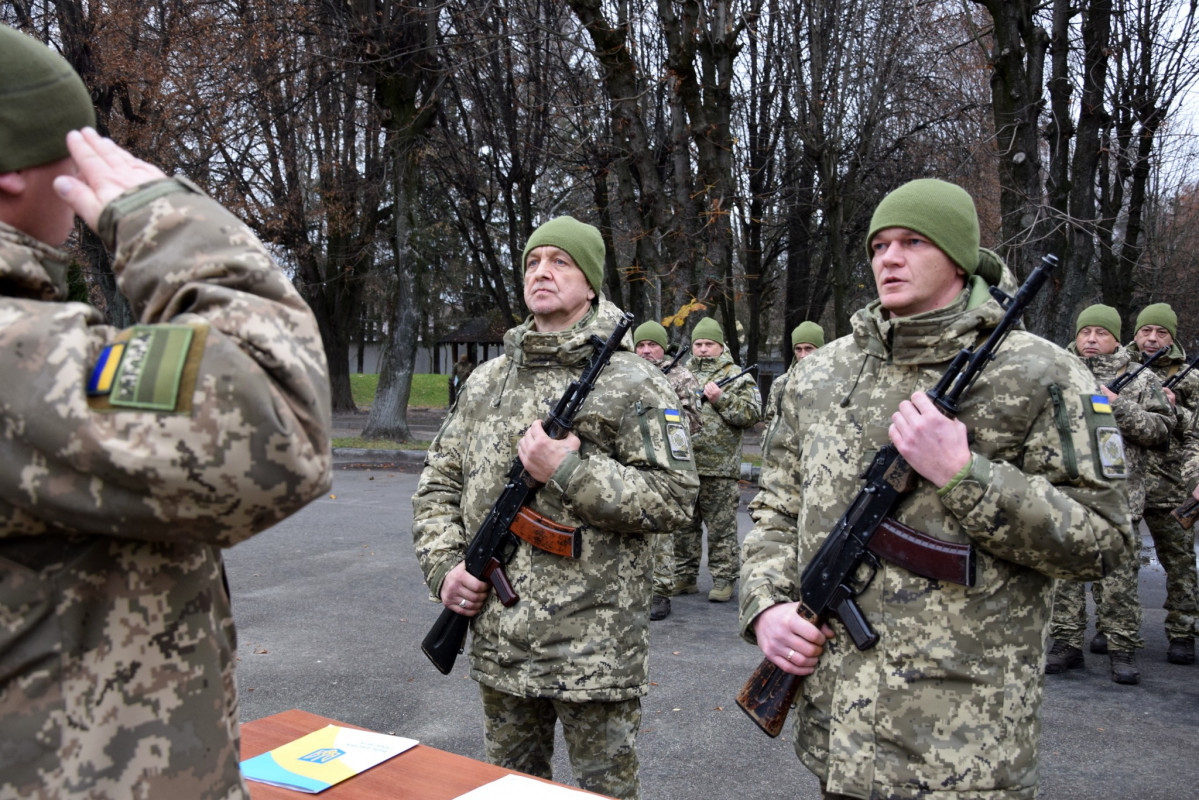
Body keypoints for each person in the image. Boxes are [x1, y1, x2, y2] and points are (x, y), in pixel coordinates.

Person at [0, 25, 333, 799]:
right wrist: (164, 220)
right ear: (17, 175)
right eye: (75, 155)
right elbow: (275, 417)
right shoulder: (17, 356)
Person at [739, 178, 1131, 799]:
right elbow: (776, 510)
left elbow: (1105, 541)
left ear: (957, 256)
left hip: (963, 750)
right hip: (837, 734)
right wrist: (766, 606)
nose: (888, 259)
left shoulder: (1043, 373)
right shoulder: (818, 374)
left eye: (912, 242)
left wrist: (963, 475)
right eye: (878, 246)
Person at [411, 216, 698, 800]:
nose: (542, 272)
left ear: (590, 282)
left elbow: (674, 497)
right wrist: (447, 570)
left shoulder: (634, 382)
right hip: (500, 638)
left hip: (597, 648)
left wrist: (567, 469)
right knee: (509, 791)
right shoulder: (487, 381)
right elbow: (437, 485)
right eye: (533, 262)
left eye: (560, 262)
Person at [1045, 305, 1174, 684]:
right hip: (1066, 491)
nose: (1091, 340)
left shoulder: (1140, 379)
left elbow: (1161, 431)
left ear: (1117, 338)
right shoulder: (1056, 371)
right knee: (1064, 578)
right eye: (1086, 332)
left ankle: (1122, 648)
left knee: (1118, 580)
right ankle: (1066, 643)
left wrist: (1117, 407)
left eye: (1101, 333)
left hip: (1120, 496)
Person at [1125, 303, 1199, 665]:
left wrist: (1175, 408)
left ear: (1173, 337)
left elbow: (1195, 431)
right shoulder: (1119, 368)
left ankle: (1183, 633)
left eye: (1162, 333)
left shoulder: (1188, 377)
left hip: (1170, 482)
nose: (1152, 339)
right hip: (1125, 480)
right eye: (1146, 331)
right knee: (1119, 562)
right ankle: (1115, 631)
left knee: (1180, 564)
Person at [677, 317, 762, 603]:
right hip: (685, 466)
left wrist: (721, 398)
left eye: (708, 344)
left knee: (721, 528)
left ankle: (724, 579)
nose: (702, 349)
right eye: (698, 344)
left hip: (720, 467)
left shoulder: (738, 375)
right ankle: (684, 576)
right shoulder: (681, 373)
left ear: (720, 346)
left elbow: (751, 414)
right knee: (684, 527)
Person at [633, 320, 702, 621]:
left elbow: (694, 421)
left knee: (660, 527)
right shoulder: (624, 372)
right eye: (641, 345)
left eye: (653, 344)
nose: (646, 350)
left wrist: (655, 423)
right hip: (628, 460)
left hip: (664, 462)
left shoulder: (680, 376)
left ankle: (660, 591)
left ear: (663, 347)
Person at [762, 321, 825, 432]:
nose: (803, 355)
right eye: (798, 349)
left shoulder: (834, 382)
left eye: (809, 348)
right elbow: (769, 421)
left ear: (820, 349)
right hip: (787, 448)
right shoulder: (781, 384)